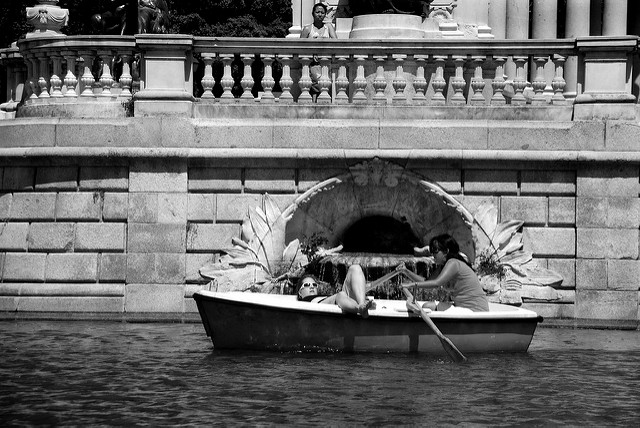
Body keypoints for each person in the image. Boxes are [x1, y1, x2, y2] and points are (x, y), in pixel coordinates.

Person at [404, 234, 489, 312]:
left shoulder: (453, 263)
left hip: (474, 310)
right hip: (460, 307)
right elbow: (426, 282)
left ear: (446, 251)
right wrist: (406, 271)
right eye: (432, 251)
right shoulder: (443, 266)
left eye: (436, 251)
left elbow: (436, 283)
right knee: (427, 306)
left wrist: (411, 285)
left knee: (428, 307)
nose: (433, 254)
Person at [297, 265, 374, 317]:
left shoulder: (323, 296)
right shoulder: (305, 303)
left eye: (314, 285)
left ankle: (361, 303)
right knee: (340, 295)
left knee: (355, 268)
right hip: (341, 300)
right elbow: (338, 296)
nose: (311, 287)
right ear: (300, 292)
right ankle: (360, 308)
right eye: (307, 285)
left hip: (344, 302)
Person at [299, 3, 337, 101]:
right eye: (317, 12)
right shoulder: (307, 29)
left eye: (322, 12)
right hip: (312, 64)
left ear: (325, 14)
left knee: (326, 84)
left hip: (327, 63)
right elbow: (300, 47)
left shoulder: (328, 27)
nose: (320, 14)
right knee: (315, 84)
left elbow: (336, 42)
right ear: (313, 13)